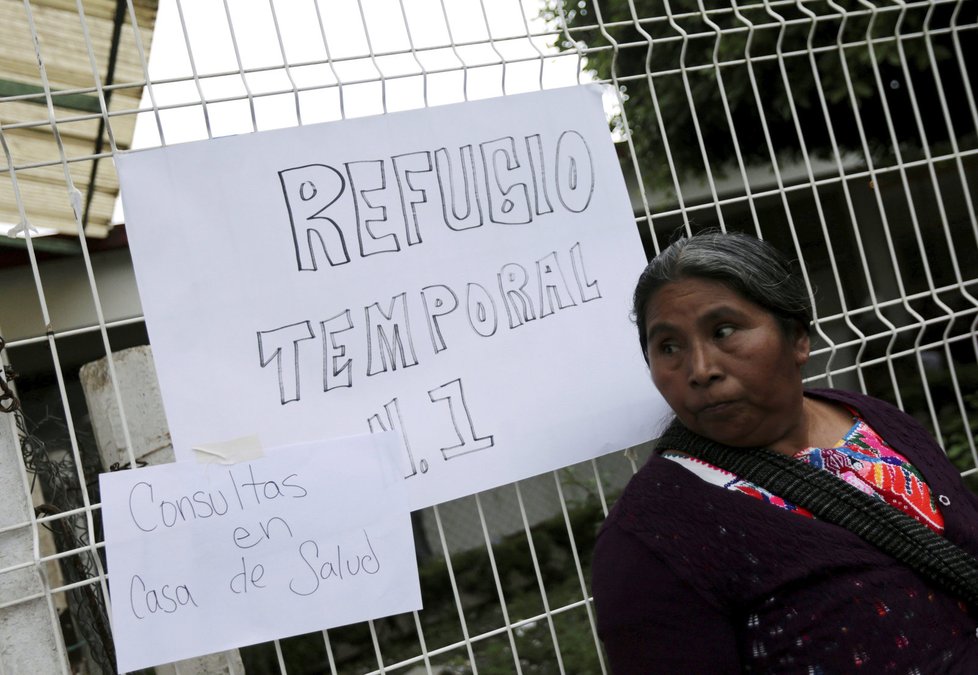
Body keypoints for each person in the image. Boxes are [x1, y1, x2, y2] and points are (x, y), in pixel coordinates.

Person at [592, 230, 978, 673]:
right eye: (669, 347)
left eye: (724, 331)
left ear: (797, 337)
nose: (700, 370)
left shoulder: (877, 422)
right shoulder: (653, 538)